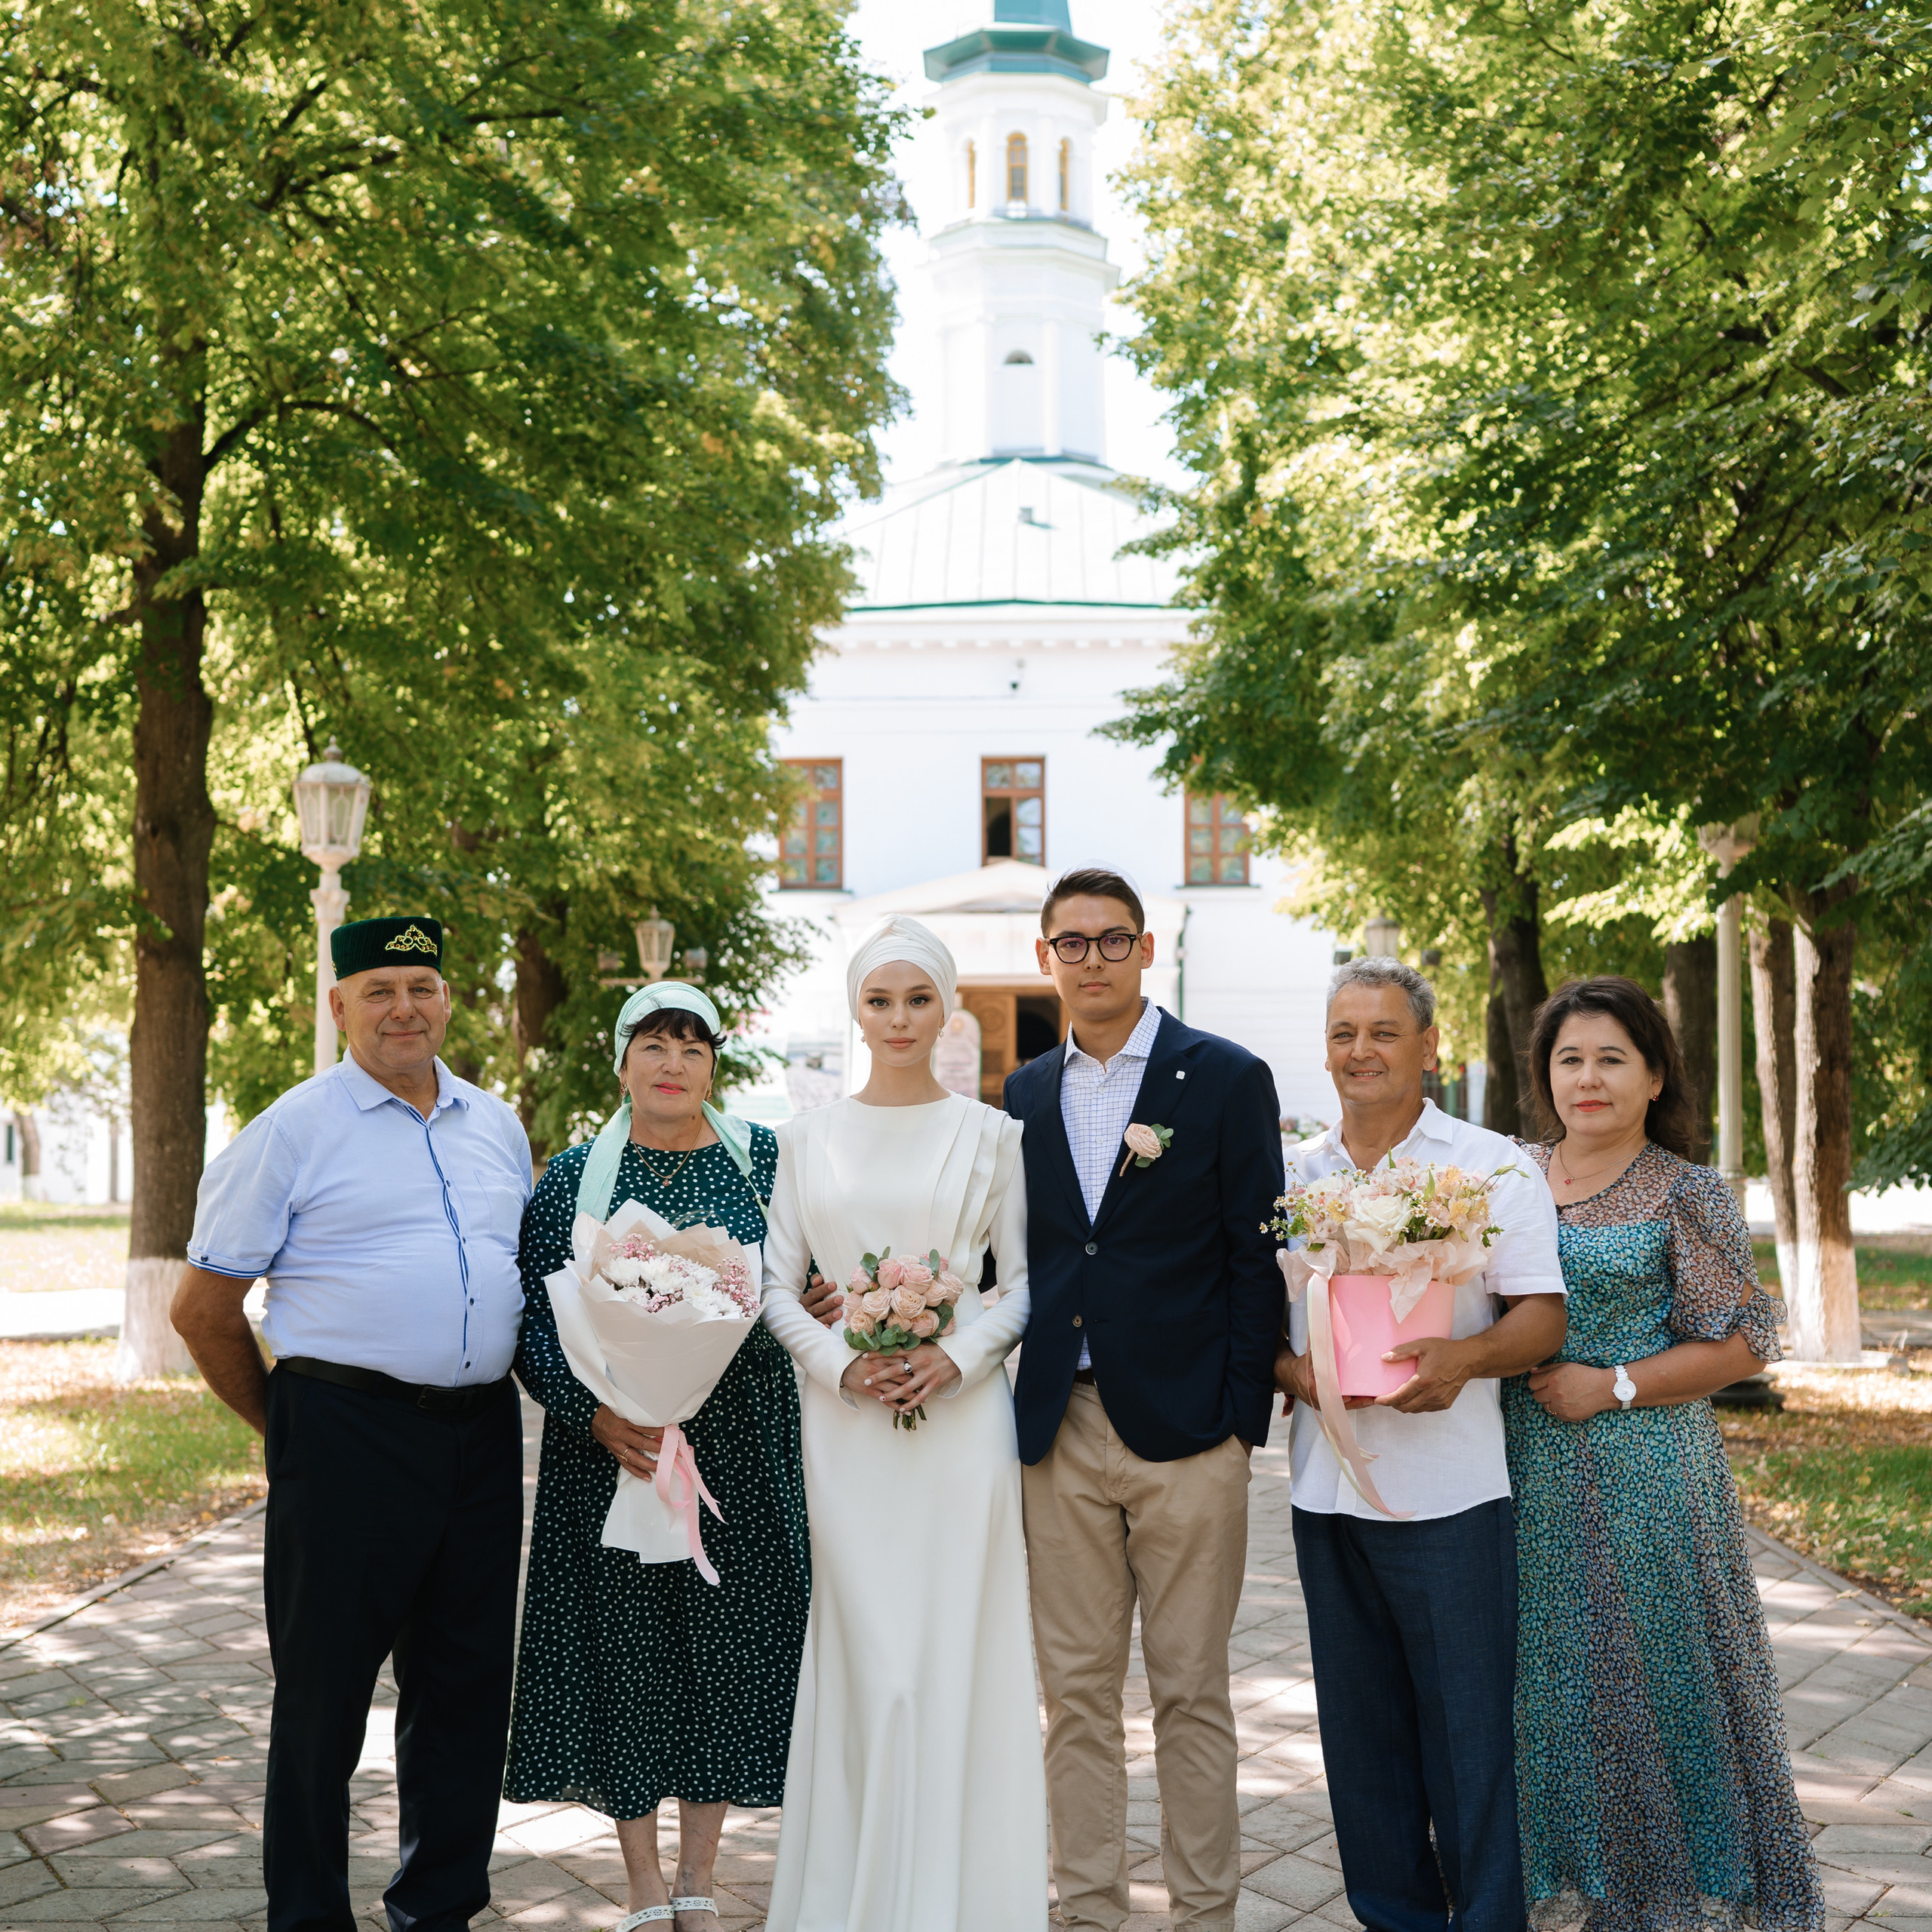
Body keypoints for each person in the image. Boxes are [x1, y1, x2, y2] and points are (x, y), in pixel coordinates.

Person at [172, 916, 531, 1932]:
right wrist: (291, 1430)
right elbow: (201, 1310)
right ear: (338, 1006)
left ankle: (439, 1911)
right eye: (379, 990)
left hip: (481, 1437)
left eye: (421, 986)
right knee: (323, 1702)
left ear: (448, 1000)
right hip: (345, 1436)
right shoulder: (294, 1128)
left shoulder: (495, 1125)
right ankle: (308, 1919)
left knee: (463, 1691)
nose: (403, 1008)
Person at [505, 982, 835, 1932]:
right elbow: (534, 1322)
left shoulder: (766, 1159)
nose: (673, 1064)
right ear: (622, 1063)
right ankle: (643, 1880)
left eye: (693, 1047)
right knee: (629, 1657)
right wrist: (593, 1413)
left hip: (741, 1445)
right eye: (653, 1044)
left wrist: (809, 1304)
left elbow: (804, 1275)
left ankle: (699, 1875)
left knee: (726, 1655)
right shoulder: (575, 1178)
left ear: (714, 1067)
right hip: (618, 1451)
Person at [1507, 976, 1823, 1932]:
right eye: (1569, 1058)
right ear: (1544, 1075)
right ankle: (1558, 1882)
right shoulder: (1504, 1178)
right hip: (1516, 1474)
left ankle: (1683, 1893)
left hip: (1644, 1474)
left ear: (1653, 1076)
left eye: (1612, 1059)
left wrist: (1612, 1383)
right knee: (1545, 1684)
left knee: (1656, 1680)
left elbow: (1746, 1341)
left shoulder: (1686, 1191)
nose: (1588, 1078)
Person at [1004, 866, 1283, 1932]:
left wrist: (1239, 1423)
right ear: (1045, 958)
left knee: (1191, 1692)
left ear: (1146, 948)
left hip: (1189, 1432)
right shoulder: (1024, 1093)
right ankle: (1087, 1910)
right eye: (1071, 943)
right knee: (1074, 1697)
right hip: (1058, 1430)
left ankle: (1204, 1915)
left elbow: (1256, 1258)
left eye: (1112, 939)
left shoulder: (1224, 1077)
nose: (1093, 959)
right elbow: (1017, 1256)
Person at [760, 915, 1046, 1932]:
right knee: (870, 1656)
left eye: (918, 999)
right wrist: (841, 1364)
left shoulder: (995, 1136)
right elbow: (775, 1284)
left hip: (962, 1428)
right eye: (880, 1000)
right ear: (855, 1009)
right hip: (846, 1429)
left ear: (947, 1008)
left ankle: (963, 1900)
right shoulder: (804, 1140)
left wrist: (957, 1358)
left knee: (957, 1647)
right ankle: (855, 1895)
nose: (898, 1019)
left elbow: (1023, 1284)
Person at [1274, 955, 1566, 1932]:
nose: (1361, 1051)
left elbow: (1543, 1317)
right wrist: (1292, 1372)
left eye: (1384, 1032)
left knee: (1467, 1738)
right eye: (1344, 1033)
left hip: (1452, 1496)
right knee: (1362, 1743)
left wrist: (1466, 1358)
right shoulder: (1295, 1175)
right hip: (1326, 1489)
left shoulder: (1491, 1164)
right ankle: (1393, 1918)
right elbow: (1259, 1323)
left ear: (1429, 1046)